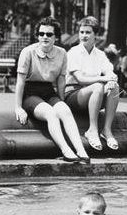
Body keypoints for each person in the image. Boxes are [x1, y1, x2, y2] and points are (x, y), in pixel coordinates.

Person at [14, 17, 90, 164]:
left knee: (65, 111)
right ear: (37, 36)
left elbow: (61, 80)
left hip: (49, 91)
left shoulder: (62, 53)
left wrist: (61, 101)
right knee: (50, 113)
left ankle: (81, 150)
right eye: (41, 34)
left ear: (56, 37)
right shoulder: (27, 52)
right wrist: (18, 107)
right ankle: (66, 151)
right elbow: (20, 82)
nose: (44, 37)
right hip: (30, 93)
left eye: (49, 34)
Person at [64, 16, 121, 152]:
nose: (84, 35)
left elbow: (110, 73)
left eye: (88, 32)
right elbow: (80, 79)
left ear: (95, 34)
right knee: (98, 86)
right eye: (81, 32)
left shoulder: (100, 54)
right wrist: (102, 79)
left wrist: (112, 80)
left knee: (115, 88)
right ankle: (92, 130)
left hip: (95, 94)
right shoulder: (73, 52)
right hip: (73, 95)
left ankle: (106, 131)